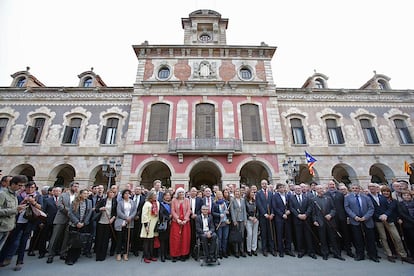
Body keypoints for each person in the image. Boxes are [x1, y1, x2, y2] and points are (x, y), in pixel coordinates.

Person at [0, 181, 43, 271]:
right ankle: (3, 258)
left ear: (35, 188)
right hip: (17, 220)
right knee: (10, 240)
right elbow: (15, 207)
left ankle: (19, 261)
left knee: (23, 241)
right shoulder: (19, 195)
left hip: (29, 221)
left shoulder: (38, 196)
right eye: (29, 187)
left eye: (32, 187)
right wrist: (24, 201)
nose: (30, 189)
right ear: (25, 188)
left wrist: (33, 202)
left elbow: (40, 207)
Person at [371, 186, 413, 263]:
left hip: (389, 220)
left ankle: (403, 255)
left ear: (390, 192)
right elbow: (374, 209)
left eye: (387, 191)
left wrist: (386, 215)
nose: (385, 193)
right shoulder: (379, 199)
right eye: (384, 191)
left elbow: (391, 209)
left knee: (397, 238)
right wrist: (380, 216)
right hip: (379, 220)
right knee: (384, 238)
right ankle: (389, 254)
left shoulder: (393, 201)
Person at [344, 184, 379, 262]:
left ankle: (372, 255)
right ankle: (360, 254)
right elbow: (347, 208)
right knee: (358, 238)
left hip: (367, 220)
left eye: (356, 188)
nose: (355, 189)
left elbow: (371, 208)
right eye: (353, 188)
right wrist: (354, 216)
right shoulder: (348, 198)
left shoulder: (366, 197)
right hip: (355, 220)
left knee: (370, 238)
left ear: (359, 189)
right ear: (351, 189)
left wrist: (365, 217)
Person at [47, 181, 79, 263]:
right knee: (55, 237)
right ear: (71, 187)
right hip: (61, 218)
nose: (76, 188)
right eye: (75, 186)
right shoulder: (63, 195)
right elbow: (59, 205)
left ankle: (63, 253)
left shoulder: (77, 196)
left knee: (66, 238)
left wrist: (72, 214)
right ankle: (50, 254)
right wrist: (68, 212)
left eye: (77, 187)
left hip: (70, 220)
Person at [311, 185, 344, 261]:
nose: (320, 190)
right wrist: (315, 220)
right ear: (316, 190)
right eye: (318, 188)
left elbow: (333, 209)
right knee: (323, 238)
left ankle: (337, 253)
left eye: (321, 188)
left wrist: (330, 215)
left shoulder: (328, 198)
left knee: (333, 238)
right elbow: (313, 212)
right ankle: (325, 253)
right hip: (320, 221)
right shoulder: (313, 200)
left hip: (330, 221)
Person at [325, 180, 353, 257]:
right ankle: (337, 250)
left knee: (345, 233)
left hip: (342, 216)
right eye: (330, 184)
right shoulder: (325, 194)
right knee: (334, 235)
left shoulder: (340, 194)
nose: (332, 186)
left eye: (333, 184)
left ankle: (348, 250)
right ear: (328, 186)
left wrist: (347, 216)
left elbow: (345, 206)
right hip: (332, 218)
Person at [0, 175, 28, 252]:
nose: (21, 188)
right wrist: (15, 209)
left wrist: (19, 208)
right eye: (20, 185)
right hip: (1, 226)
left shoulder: (14, 195)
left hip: (8, 226)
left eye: (23, 186)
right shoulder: (2, 194)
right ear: (13, 184)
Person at [289, 185, 316, 259]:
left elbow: (310, 207)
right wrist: (298, 215)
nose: (298, 190)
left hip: (306, 219)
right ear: (294, 190)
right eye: (296, 189)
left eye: (299, 188)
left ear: (301, 189)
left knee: (308, 236)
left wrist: (306, 214)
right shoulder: (291, 198)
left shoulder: (306, 197)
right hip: (297, 220)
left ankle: (310, 251)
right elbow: (291, 208)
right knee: (299, 236)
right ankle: (301, 251)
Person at [66, 189, 93, 265]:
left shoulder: (89, 202)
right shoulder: (75, 201)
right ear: (80, 194)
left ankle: (76, 257)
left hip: (83, 224)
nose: (86, 195)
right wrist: (77, 222)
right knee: (73, 242)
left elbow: (89, 213)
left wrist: (84, 223)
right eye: (84, 193)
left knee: (80, 242)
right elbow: (70, 213)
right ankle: (70, 259)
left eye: (87, 194)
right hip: (74, 224)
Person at [37, 186, 61, 259]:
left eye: (58, 191)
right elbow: (43, 211)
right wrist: (41, 222)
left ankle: (53, 250)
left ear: (61, 192)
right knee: (44, 237)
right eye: (55, 191)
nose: (57, 192)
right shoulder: (47, 200)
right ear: (53, 192)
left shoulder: (61, 201)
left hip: (58, 221)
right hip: (48, 221)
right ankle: (42, 252)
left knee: (54, 237)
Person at [271, 183, 295, 257]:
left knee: (288, 234)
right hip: (279, 218)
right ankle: (281, 250)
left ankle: (288, 249)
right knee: (280, 234)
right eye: (280, 187)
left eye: (283, 187)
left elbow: (291, 205)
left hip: (287, 218)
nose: (282, 189)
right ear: (277, 189)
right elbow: (275, 207)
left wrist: (289, 211)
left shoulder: (288, 196)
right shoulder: (275, 196)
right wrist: (282, 214)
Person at [94, 189, 117, 261]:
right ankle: (98, 255)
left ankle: (103, 255)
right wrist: (101, 208)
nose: (112, 194)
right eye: (110, 193)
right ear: (107, 193)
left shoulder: (115, 201)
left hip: (109, 222)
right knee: (99, 238)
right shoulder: (103, 200)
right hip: (101, 221)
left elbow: (116, 212)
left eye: (113, 193)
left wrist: (112, 219)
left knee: (106, 239)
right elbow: (96, 209)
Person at [114, 189, 137, 261]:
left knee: (127, 239)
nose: (127, 195)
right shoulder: (120, 203)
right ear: (123, 195)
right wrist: (126, 217)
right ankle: (118, 253)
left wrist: (130, 217)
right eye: (125, 193)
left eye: (128, 193)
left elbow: (134, 211)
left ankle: (125, 253)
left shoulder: (133, 202)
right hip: (121, 222)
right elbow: (119, 212)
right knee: (120, 238)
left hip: (130, 222)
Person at [170, 187, 191, 262]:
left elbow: (189, 210)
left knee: (185, 239)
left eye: (182, 192)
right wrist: (177, 219)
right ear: (177, 194)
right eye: (180, 192)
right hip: (176, 222)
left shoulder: (187, 200)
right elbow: (172, 210)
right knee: (176, 239)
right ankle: (175, 255)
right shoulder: (174, 200)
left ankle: (183, 254)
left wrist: (185, 219)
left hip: (185, 223)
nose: (181, 194)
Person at [255, 179, 275, 256]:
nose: (264, 185)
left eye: (265, 183)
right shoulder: (258, 193)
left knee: (271, 233)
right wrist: (265, 214)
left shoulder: (270, 193)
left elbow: (273, 204)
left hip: (271, 216)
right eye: (263, 184)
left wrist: (272, 213)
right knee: (264, 233)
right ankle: (264, 249)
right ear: (261, 185)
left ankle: (271, 248)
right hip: (263, 216)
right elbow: (259, 204)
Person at [140, 191, 159, 263]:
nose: (155, 197)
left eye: (156, 195)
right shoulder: (147, 204)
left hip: (154, 224)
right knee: (147, 241)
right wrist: (146, 225)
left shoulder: (156, 203)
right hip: (148, 224)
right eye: (154, 195)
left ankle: (151, 255)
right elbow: (144, 215)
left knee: (152, 241)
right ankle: (146, 256)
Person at [212, 190, 230, 258]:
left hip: (226, 222)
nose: (220, 196)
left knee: (225, 238)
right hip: (219, 223)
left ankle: (224, 251)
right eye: (218, 194)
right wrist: (219, 215)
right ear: (216, 195)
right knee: (219, 238)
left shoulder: (225, 202)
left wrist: (228, 213)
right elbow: (213, 213)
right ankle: (219, 252)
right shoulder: (215, 203)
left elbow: (228, 212)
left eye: (221, 194)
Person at [230, 188, 247, 258]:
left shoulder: (243, 200)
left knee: (242, 235)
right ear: (234, 193)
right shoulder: (232, 200)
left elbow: (244, 210)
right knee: (236, 236)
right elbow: (232, 211)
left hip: (242, 219)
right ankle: (236, 251)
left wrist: (245, 220)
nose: (237, 194)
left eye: (238, 192)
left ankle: (242, 250)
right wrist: (234, 220)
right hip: (236, 220)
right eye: (236, 192)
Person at [397, 190, 414, 257]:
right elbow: (402, 214)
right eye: (405, 195)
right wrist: (412, 220)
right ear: (402, 196)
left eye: (408, 195)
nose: (407, 196)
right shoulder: (400, 204)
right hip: (408, 224)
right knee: (411, 239)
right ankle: (412, 254)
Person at [131, 185, 146, 257]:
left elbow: (143, 208)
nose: (137, 191)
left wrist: (137, 215)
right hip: (130, 218)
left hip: (138, 218)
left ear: (140, 191)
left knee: (137, 234)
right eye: (136, 189)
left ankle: (135, 249)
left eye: (139, 190)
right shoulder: (130, 198)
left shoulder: (143, 198)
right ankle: (130, 248)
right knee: (130, 234)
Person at [188, 187, 203, 259]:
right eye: (192, 191)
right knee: (189, 235)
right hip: (188, 219)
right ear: (190, 192)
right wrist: (190, 214)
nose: (193, 192)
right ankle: (189, 250)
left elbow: (201, 208)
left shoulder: (200, 200)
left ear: (196, 192)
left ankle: (195, 251)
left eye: (195, 191)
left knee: (195, 235)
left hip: (197, 219)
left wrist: (196, 215)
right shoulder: (187, 200)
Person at [158, 191, 172, 262]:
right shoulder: (161, 204)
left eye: (169, 195)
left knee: (168, 240)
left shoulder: (171, 204)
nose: (167, 197)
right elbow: (161, 214)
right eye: (166, 195)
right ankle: (162, 255)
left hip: (171, 225)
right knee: (162, 240)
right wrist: (168, 218)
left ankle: (167, 254)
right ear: (163, 196)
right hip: (164, 224)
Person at [245, 188, 259, 256]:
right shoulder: (245, 201)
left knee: (255, 235)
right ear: (248, 194)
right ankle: (249, 249)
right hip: (248, 220)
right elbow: (245, 211)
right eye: (251, 193)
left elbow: (257, 210)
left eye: (253, 193)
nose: (253, 194)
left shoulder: (255, 201)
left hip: (255, 220)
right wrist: (249, 217)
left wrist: (256, 217)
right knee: (250, 234)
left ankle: (254, 249)